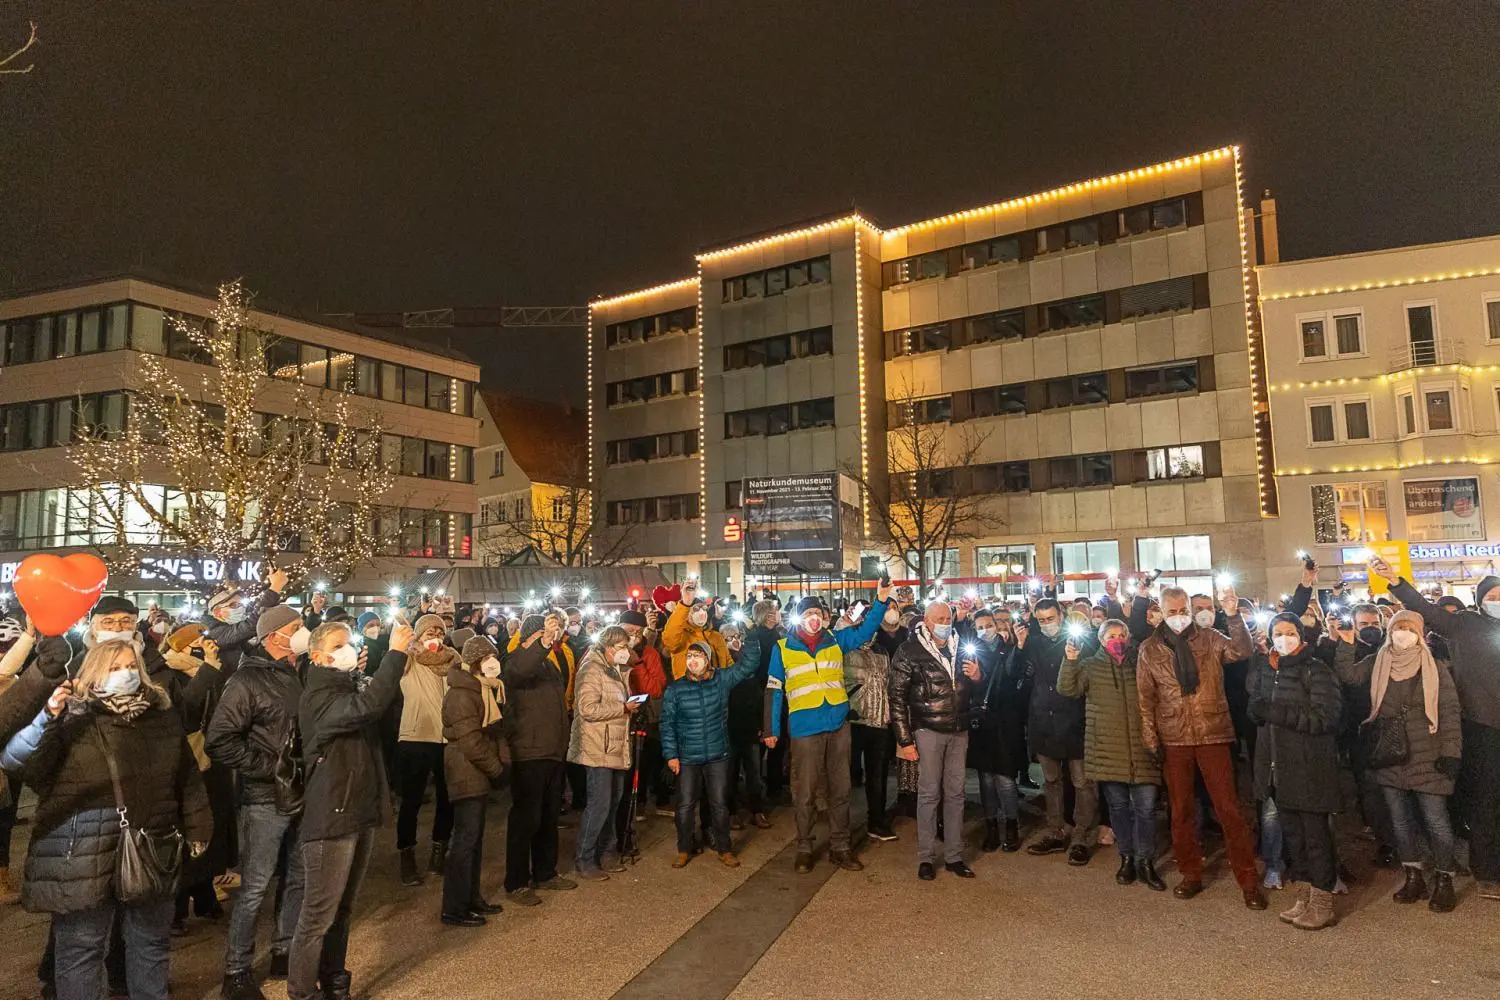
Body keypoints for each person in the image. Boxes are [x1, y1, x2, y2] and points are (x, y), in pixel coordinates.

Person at [3, 639, 210, 1000]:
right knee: (82, 949)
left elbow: (186, 777)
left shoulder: (160, 714)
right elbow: (19, 762)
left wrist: (199, 825)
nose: (125, 674)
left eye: (131, 666)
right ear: (94, 672)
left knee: (150, 944)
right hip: (81, 849)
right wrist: (48, 717)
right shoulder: (72, 716)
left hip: (151, 843)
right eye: (114, 668)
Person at [287, 620, 409, 1000]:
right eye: (339, 645)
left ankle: (334, 980)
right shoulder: (318, 694)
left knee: (342, 909)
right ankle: (303, 992)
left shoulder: (346, 685)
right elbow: (368, 706)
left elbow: (382, 711)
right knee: (317, 916)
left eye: (350, 643)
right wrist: (395, 652)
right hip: (331, 815)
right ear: (320, 656)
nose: (348, 649)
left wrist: (378, 672)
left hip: (356, 807)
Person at [1375, 559, 1500, 902]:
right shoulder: (1464, 625)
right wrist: (1397, 582)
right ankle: (1488, 872)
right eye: (1493, 595)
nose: (1498, 600)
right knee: (1486, 801)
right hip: (1482, 727)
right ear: (1480, 600)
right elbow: (1424, 609)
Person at [1138, 585, 1267, 909]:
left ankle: (1248, 879)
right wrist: (1150, 736)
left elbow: (1241, 650)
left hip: (1212, 731)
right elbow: (1145, 697)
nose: (1179, 617)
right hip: (1174, 736)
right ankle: (1191, 873)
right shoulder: (1149, 649)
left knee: (1229, 809)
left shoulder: (1209, 638)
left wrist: (1233, 614)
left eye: (1184, 611)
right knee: (1181, 811)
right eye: (1172, 612)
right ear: (1161, 613)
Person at [205, 604, 310, 999]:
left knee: (297, 878)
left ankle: (285, 950)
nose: (304, 632)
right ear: (274, 636)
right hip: (265, 798)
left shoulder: (300, 672)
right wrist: (271, 767)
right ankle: (236, 969)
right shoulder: (247, 680)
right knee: (255, 886)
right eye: (296, 627)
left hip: (301, 793)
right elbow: (220, 739)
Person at [1331, 608, 1462, 913]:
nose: (1402, 634)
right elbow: (1348, 676)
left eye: (1408, 629)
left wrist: (1450, 753)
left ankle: (1444, 879)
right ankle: (1413, 874)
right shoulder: (1379, 661)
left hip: (1429, 755)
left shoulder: (1434, 667)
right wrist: (1346, 643)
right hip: (1389, 754)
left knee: (1436, 820)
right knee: (1400, 821)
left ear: (1419, 633)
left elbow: (1450, 712)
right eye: (1397, 628)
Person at [764, 583, 893, 873]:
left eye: (817, 613)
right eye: (807, 613)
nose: (813, 618)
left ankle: (840, 846)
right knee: (805, 792)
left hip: (837, 725)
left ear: (824, 617)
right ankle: (804, 847)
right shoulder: (782, 648)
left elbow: (865, 629)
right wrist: (770, 729)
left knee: (841, 789)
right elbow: (773, 690)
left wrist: (881, 601)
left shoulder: (836, 639)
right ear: (798, 618)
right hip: (804, 728)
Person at [1247, 614, 1344, 929]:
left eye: (1290, 633)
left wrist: (1272, 712)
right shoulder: (1268, 670)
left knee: (1316, 839)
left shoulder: (1317, 670)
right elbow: (1258, 708)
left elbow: (1324, 718)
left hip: (1310, 768)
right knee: (1294, 839)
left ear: (1302, 637)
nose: (1283, 638)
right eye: (1278, 632)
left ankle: (1323, 903)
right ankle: (1304, 897)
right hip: (1278, 770)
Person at [1059, 608, 1166, 891]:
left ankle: (1146, 860)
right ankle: (1127, 858)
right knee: (1118, 808)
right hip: (1108, 750)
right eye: (1111, 636)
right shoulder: (1091, 665)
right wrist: (1070, 661)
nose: (1117, 639)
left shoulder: (1139, 661)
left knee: (1145, 809)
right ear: (1101, 639)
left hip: (1142, 748)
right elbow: (1068, 689)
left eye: (1121, 635)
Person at [889, 602, 982, 880]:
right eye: (939, 618)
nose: (944, 622)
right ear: (926, 621)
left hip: (958, 729)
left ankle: (954, 855)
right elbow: (896, 698)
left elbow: (973, 686)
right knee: (929, 793)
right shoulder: (909, 650)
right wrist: (904, 740)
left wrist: (978, 677)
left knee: (956, 793)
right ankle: (926, 857)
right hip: (928, 730)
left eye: (948, 618)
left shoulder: (961, 644)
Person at [660, 635, 763, 867]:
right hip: (687, 757)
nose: (692, 661)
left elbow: (749, 665)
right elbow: (667, 723)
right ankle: (684, 847)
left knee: (719, 803)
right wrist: (671, 755)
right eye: (689, 656)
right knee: (686, 805)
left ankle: (724, 848)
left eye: (698, 656)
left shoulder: (721, 680)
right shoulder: (676, 689)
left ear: (708, 660)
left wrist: (750, 638)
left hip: (717, 754)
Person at [500, 614, 574, 906]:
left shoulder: (547, 664)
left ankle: (545, 871)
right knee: (525, 819)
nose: (549, 639)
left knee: (548, 817)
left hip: (552, 751)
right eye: (542, 634)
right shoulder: (516, 661)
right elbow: (521, 670)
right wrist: (541, 643)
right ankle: (516, 880)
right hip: (529, 752)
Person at [1019, 599, 1095, 865]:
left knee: (1082, 782)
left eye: (1051, 618)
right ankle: (1056, 831)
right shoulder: (1034, 642)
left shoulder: (1080, 642)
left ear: (1062, 616)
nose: (1047, 624)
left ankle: (1081, 836)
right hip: (1044, 723)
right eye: (1041, 620)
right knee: (1052, 782)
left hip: (1075, 722)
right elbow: (1022, 677)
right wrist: (1019, 646)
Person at [440, 637, 508, 926]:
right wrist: (496, 769)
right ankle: (454, 907)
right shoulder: (462, 693)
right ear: (474, 662)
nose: (492, 662)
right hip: (466, 769)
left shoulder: (485, 689)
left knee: (474, 840)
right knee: (464, 841)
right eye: (486, 658)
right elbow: (470, 740)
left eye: (494, 656)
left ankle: (471, 897)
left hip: (475, 770)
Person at [569, 626, 638, 880]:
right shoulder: (591, 668)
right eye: (621, 647)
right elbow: (587, 708)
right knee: (599, 803)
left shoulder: (615, 669)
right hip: (598, 746)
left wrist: (628, 707)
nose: (625, 652)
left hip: (615, 745)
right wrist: (621, 707)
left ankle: (606, 851)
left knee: (614, 801)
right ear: (608, 647)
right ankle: (585, 858)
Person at [393, 614, 455, 887]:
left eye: (439, 633)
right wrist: (407, 636)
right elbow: (396, 654)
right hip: (416, 736)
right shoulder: (410, 659)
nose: (435, 638)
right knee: (412, 800)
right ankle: (406, 853)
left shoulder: (453, 659)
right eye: (429, 633)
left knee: (447, 798)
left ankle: (439, 849)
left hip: (446, 738)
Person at [966, 608, 1021, 853]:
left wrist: (1017, 647)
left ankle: (1011, 825)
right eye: (980, 626)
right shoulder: (970, 651)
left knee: (1006, 779)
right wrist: (976, 679)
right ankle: (990, 826)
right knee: (986, 779)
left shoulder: (1009, 648)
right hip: (982, 722)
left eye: (989, 625)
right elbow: (966, 688)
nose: (985, 630)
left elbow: (1015, 680)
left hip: (1006, 721)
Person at [844, 625, 896, 842]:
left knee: (877, 774)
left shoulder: (882, 651)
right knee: (845, 775)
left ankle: (876, 819)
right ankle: (841, 826)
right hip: (853, 721)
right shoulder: (845, 650)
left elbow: (889, 682)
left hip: (879, 721)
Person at [722, 621, 772, 830]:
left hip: (749, 726)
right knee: (730, 772)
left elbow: (758, 695)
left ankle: (756, 810)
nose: (734, 641)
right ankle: (732, 812)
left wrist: (761, 724)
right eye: (728, 638)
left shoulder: (749, 663)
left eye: (737, 637)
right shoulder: (722, 667)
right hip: (728, 728)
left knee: (754, 772)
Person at [203, 568, 289, 675]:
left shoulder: (232, 627)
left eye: (241, 604)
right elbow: (250, 625)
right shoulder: (214, 633)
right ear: (217, 612)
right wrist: (274, 589)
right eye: (234, 605)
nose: (241, 608)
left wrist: (271, 584)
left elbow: (257, 611)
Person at [662, 581, 732, 681]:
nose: (701, 612)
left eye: (704, 609)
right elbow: (669, 640)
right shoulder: (681, 637)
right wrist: (685, 604)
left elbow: (729, 662)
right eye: (696, 609)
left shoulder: (716, 636)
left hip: (718, 691)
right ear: (686, 613)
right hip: (690, 692)